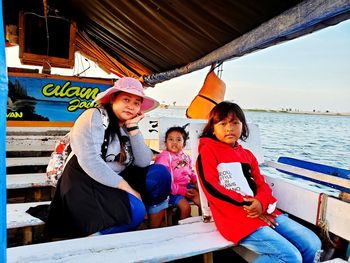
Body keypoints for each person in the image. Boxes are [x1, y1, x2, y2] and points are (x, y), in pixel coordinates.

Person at [196, 101, 322, 263]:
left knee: (312, 244)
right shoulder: (208, 152)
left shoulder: (247, 155)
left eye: (235, 123)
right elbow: (212, 188)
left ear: (243, 126)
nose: (229, 128)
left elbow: (261, 184)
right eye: (223, 123)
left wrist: (261, 204)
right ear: (212, 129)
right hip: (234, 218)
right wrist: (249, 205)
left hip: (264, 210)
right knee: (291, 257)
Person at [46, 77, 171, 238]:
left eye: (136, 103)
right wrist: (128, 188)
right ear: (113, 99)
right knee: (134, 211)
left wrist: (133, 128)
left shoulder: (126, 126)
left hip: (115, 179)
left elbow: (142, 162)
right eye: (126, 99)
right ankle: (93, 242)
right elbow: (91, 161)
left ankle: (154, 235)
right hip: (83, 180)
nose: (131, 106)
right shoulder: (94, 116)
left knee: (160, 174)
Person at [155, 126, 200, 220]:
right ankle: (181, 226)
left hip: (187, 186)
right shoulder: (163, 157)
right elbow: (163, 181)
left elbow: (190, 172)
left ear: (184, 144)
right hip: (172, 190)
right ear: (165, 143)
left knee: (201, 201)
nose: (174, 142)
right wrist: (182, 191)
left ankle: (205, 222)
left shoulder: (186, 157)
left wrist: (196, 182)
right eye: (171, 139)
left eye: (178, 139)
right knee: (186, 208)